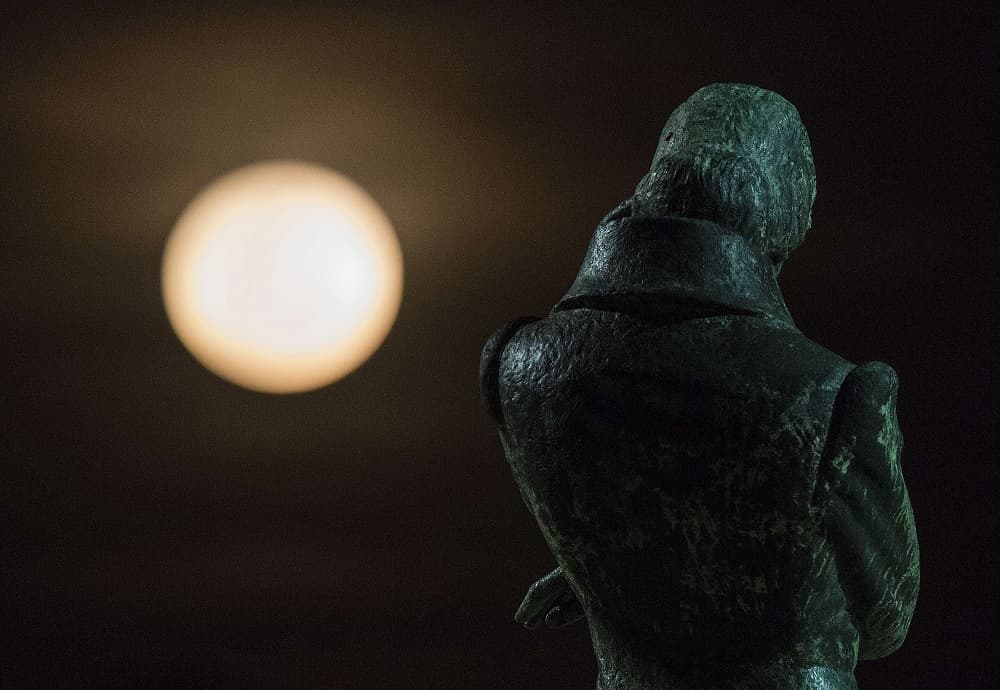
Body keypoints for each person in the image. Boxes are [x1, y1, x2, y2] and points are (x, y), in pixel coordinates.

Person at [480, 84, 919, 690]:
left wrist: (609, 574)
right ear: (783, 211)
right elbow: (885, 619)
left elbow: (660, 491)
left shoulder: (517, 364)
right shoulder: (837, 393)